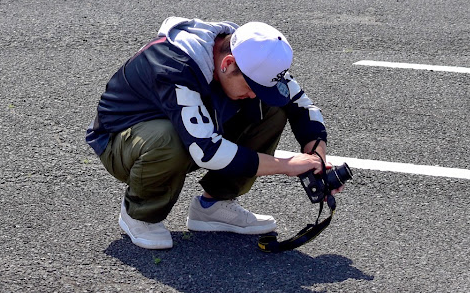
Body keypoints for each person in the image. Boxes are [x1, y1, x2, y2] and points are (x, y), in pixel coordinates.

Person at [85, 17, 331, 250]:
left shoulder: (253, 56)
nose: (254, 93)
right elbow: (207, 151)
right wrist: (287, 165)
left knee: (272, 106)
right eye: (250, 86)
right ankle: (139, 214)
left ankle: (214, 205)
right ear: (227, 64)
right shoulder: (175, 65)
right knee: (169, 138)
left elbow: (301, 106)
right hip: (121, 141)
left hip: (188, 131)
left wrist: (316, 155)